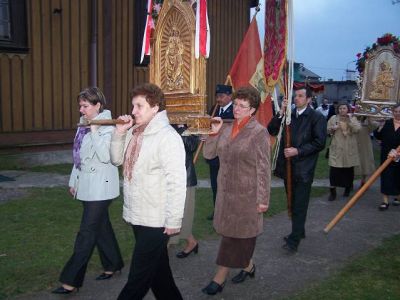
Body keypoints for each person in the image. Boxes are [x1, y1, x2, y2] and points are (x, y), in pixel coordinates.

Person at [110, 83, 186, 300]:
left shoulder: (167, 137)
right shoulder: (135, 132)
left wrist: (173, 220)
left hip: (157, 220)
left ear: (155, 108)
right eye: (133, 105)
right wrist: (119, 133)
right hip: (138, 215)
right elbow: (116, 159)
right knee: (159, 276)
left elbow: (177, 182)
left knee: (137, 280)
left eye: (139, 106)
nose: (133, 111)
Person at [52, 87, 123, 294]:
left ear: (98, 105)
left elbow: (105, 156)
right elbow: (78, 156)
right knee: (101, 227)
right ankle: (113, 264)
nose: (81, 110)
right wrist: (73, 181)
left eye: (85, 106)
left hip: (101, 188)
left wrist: (93, 130)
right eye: (80, 106)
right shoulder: (84, 123)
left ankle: (70, 281)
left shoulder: (109, 126)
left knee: (86, 232)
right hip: (86, 185)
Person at [201, 86, 270, 295]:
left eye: (243, 106)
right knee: (235, 235)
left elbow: (264, 168)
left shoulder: (258, 132)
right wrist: (213, 133)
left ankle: (219, 278)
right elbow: (209, 155)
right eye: (237, 104)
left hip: (246, 196)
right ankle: (248, 266)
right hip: (225, 193)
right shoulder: (226, 126)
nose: (237, 109)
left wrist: (262, 199)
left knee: (233, 238)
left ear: (252, 110)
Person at [267, 86, 326, 254]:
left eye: (300, 96)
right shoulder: (289, 115)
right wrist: (281, 112)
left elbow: (319, 142)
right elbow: (271, 130)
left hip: (303, 168)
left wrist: (298, 151)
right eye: (295, 96)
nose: (296, 99)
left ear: (308, 99)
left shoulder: (316, 118)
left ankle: (294, 240)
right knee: (291, 201)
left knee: (299, 204)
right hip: (288, 167)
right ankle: (299, 230)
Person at [169, 124, 200, 258]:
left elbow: (191, 146)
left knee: (183, 213)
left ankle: (188, 242)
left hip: (184, 177)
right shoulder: (164, 123)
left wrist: (182, 128)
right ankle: (191, 241)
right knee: (168, 213)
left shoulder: (191, 126)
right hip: (166, 177)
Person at [205, 84, 234, 220]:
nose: (219, 99)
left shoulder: (235, 111)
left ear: (230, 96)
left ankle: (228, 211)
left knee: (227, 185)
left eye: (221, 96)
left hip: (228, 155)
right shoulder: (214, 110)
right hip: (213, 155)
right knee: (215, 184)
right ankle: (217, 210)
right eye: (217, 96)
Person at [327, 103, 361, 201]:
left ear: (348, 109)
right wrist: (332, 129)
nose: (342, 110)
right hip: (337, 147)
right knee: (334, 171)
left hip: (349, 148)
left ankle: (347, 188)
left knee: (348, 170)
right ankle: (332, 192)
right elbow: (327, 130)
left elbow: (357, 129)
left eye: (344, 108)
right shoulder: (333, 118)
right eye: (340, 108)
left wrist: (350, 120)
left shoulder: (352, 118)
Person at [373, 104, 400, 211]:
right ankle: (385, 201)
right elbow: (377, 136)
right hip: (386, 155)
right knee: (386, 177)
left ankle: (398, 197)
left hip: (399, 155)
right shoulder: (387, 123)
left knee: (398, 177)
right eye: (396, 111)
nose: (398, 113)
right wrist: (380, 126)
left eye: (399, 111)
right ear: (393, 112)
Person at [355, 116, 378, 187]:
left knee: (365, 162)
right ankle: (349, 182)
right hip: (353, 143)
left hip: (364, 144)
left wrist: (369, 118)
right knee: (352, 162)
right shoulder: (353, 117)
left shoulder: (368, 119)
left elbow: (375, 126)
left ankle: (363, 180)